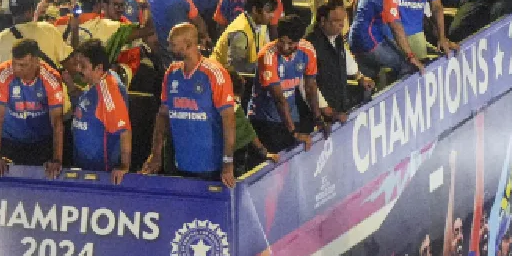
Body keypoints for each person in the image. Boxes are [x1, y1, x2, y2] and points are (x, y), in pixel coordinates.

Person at [148, 22, 239, 187]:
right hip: (179, 164)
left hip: (210, 167)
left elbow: (229, 121)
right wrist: (156, 153)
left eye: (173, 44)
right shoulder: (171, 73)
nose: (169, 48)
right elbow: (163, 115)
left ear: (188, 45)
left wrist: (228, 163)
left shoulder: (214, 73)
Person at [248, 17, 328, 156]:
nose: (285, 48)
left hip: (291, 116)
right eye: (281, 42)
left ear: (299, 40)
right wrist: (293, 132)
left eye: (291, 44)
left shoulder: (307, 50)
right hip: (265, 120)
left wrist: (318, 119)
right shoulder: (267, 56)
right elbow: (279, 98)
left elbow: (310, 87)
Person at [0, 40, 66, 178]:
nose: (17, 69)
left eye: (23, 65)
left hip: (41, 142)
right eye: (14, 63)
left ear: (36, 62)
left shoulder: (50, 77)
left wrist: (57, 159)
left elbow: (57, 121)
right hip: (11, 140)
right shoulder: (3, 73)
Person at [350, 0, 430, 79]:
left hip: (361, 38)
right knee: (407, 66)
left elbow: (355, 3)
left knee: (368, 81)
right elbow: (396, 27)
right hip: (369, 42)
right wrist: (411, 57)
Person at [64, 42, 133, 183]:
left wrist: (124, 167)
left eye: (83, 66)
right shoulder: (95, 82)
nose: (78, 69)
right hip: (83, 169)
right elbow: (88, 103)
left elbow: (124, 131)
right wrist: (70, 85)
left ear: (99, 68)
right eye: (77, 64)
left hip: (101, 176)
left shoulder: (109, 92)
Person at [307, 0, 371, 116]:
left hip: (339, 107)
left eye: (343, 20)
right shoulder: (310, 45)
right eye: (336, 20)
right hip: (322, 113)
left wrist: (359, 76)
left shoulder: (337, 38)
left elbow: (346, 58)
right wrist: (324, 108)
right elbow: (309, 83)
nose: (342, 25)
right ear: (322, 21)